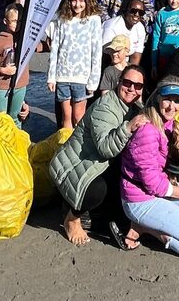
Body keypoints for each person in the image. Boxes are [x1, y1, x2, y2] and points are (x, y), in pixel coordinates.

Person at [50, 64, 150, 246]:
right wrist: (128, 127)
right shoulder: (105, 107)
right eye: (127, 82)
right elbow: (105, 148)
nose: (132, 89)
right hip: (76, 166)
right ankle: (72, 218)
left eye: (138, 86)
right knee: (99, 190)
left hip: (99, 163)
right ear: (119, 83)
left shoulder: (134, 107)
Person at [118, 82, 179, 257]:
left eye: (177, 100)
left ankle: (154, 221)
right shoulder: (147, 131)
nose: (172, 106)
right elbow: (152, 183)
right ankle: (152, 230)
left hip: (158, 191)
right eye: (167, 100)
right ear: (158, 99)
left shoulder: (168, 124)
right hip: (141, 199)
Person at [46, 0, 103, 129]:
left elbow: (96, 52)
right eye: (74, 0)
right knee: (66, 118)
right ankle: (64, 147)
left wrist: (93, 82)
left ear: (87, 1)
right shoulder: (62, 20)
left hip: (82, 78)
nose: (77, 4)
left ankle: (78, 149)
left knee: (78, 117)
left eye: (81, 0)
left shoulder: (94, 20)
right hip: (62, 77)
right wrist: (51, 77)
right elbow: (55, 49)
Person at [0, 4, 28, 116]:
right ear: (6, 21)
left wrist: (52, 44)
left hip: (20, 85)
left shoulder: (26, 40)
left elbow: (39, 46)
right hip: (2, 86)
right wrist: (3, 71)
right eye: (14, 21)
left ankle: (17, 134)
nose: (18, 24)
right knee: (1, 117)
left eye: (20, 21)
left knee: (16, 116)